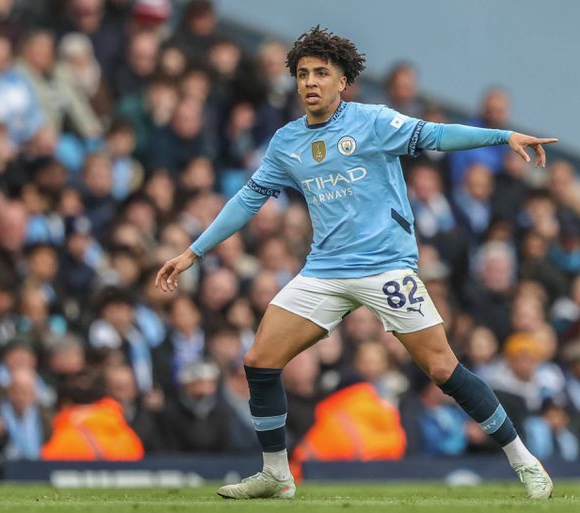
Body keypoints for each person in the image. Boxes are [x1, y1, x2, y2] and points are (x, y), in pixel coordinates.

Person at [155, 26, 557, 500]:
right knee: (259, 360)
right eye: (303, 73)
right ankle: (276, 474)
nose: (310, 82)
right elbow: (248, 198)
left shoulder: (373, 121)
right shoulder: (286, 141)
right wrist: (193, 251)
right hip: (324, 271)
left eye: (321, 73)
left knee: (442, 369)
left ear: (343, 81)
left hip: (386, 267)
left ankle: (525, 461)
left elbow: (437, 135)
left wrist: (503, 136)